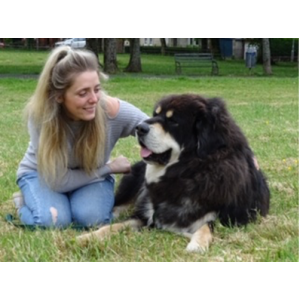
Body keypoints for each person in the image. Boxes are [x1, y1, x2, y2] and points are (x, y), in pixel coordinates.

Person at [15, 46, 148, 228]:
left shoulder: (111, 111)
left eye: (97, 89)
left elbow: (155, 130)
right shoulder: (41, 116)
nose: (94, 99)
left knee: (92, 220)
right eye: (83, 93)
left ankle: (65, 203)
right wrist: (108, 168)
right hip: (43, 176)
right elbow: (58, 181)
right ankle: (22, 203)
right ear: (59, 96)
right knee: (53, 220)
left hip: (89, 176)